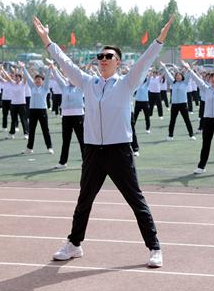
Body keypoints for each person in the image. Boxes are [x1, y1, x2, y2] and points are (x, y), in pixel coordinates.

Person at [33, 15, 172, 268]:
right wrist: (47, 41)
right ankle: (74, 244)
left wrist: (159, 39)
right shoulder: (88, 83)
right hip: (93, 152)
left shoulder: (127, 83)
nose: (103, 59)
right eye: (101, 56)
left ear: (118, 62)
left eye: (109, 56)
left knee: (135, 200)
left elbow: (145, 61)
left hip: (119, 151)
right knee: (84, 200)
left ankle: (154, 247)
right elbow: (65, 64)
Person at [49, 61, 85, 169]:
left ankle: (86, 161)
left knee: (82, 140)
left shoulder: (80, 87)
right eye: (70, 78)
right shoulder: (64, 87)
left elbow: (83, 75)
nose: (71, 80)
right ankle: (62, 162)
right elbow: (57, 77)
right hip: (66, 116)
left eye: (73, 78)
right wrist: (53, 67)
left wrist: (81, 69)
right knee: (66, 140)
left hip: (78, 116)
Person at [20, 63, 53, 155]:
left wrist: (49, 69)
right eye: (36, 79)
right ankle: (29, 148)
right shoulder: (32, 87)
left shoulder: (45, 88)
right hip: (33, 111)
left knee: (45, 130)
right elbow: (28, 77)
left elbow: (47, 78)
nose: (38, 81)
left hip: (42, 110)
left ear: (42, 81)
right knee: (32, 130)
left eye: (39, 79)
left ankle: (49, 147)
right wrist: (23, 68)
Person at [160, 62, 195, 141]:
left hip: (183, 105)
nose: (178, 77)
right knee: (172, 120)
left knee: (187, 120)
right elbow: (168, 75)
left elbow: (189, 74)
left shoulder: (185, 82)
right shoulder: (173, 83)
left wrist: (189, 67)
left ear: (182, 77)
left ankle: (191, 135)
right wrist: (164, 67)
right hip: (174, 105)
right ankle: (170, 135)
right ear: (175, 77)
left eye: (179, 75)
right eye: (176, 76)